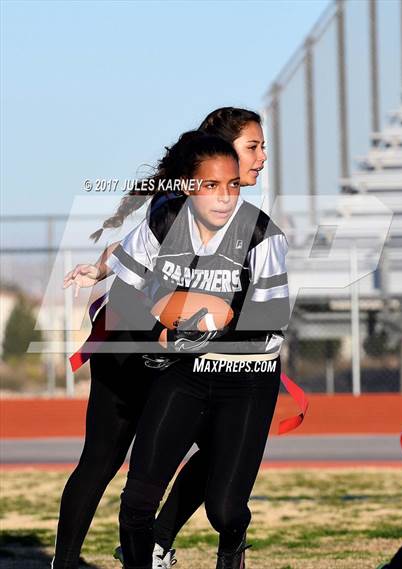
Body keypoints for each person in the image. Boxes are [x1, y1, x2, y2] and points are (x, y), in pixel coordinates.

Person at [53, 109, 270, 569]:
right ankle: (146, 544)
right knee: (123, 455)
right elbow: (140, 247)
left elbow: (126, 245)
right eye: (253, 147)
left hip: (151, 337)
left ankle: (105, 552)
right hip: (141, 339)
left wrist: (101, 266)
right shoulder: (188, 201)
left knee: (125, 456)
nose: (262, 157)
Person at [104, 130, 289, 569]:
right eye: (211, 185)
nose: (224, 197)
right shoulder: (164, 222)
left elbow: (267, 322)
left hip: (249, 376)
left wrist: (196, 328)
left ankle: (232, 544)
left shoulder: (262, 233)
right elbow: (123, 300)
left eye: (232, 185)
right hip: (185, 373)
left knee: (223, 510)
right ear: (188, 186)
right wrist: (156, 326)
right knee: (137, 502)